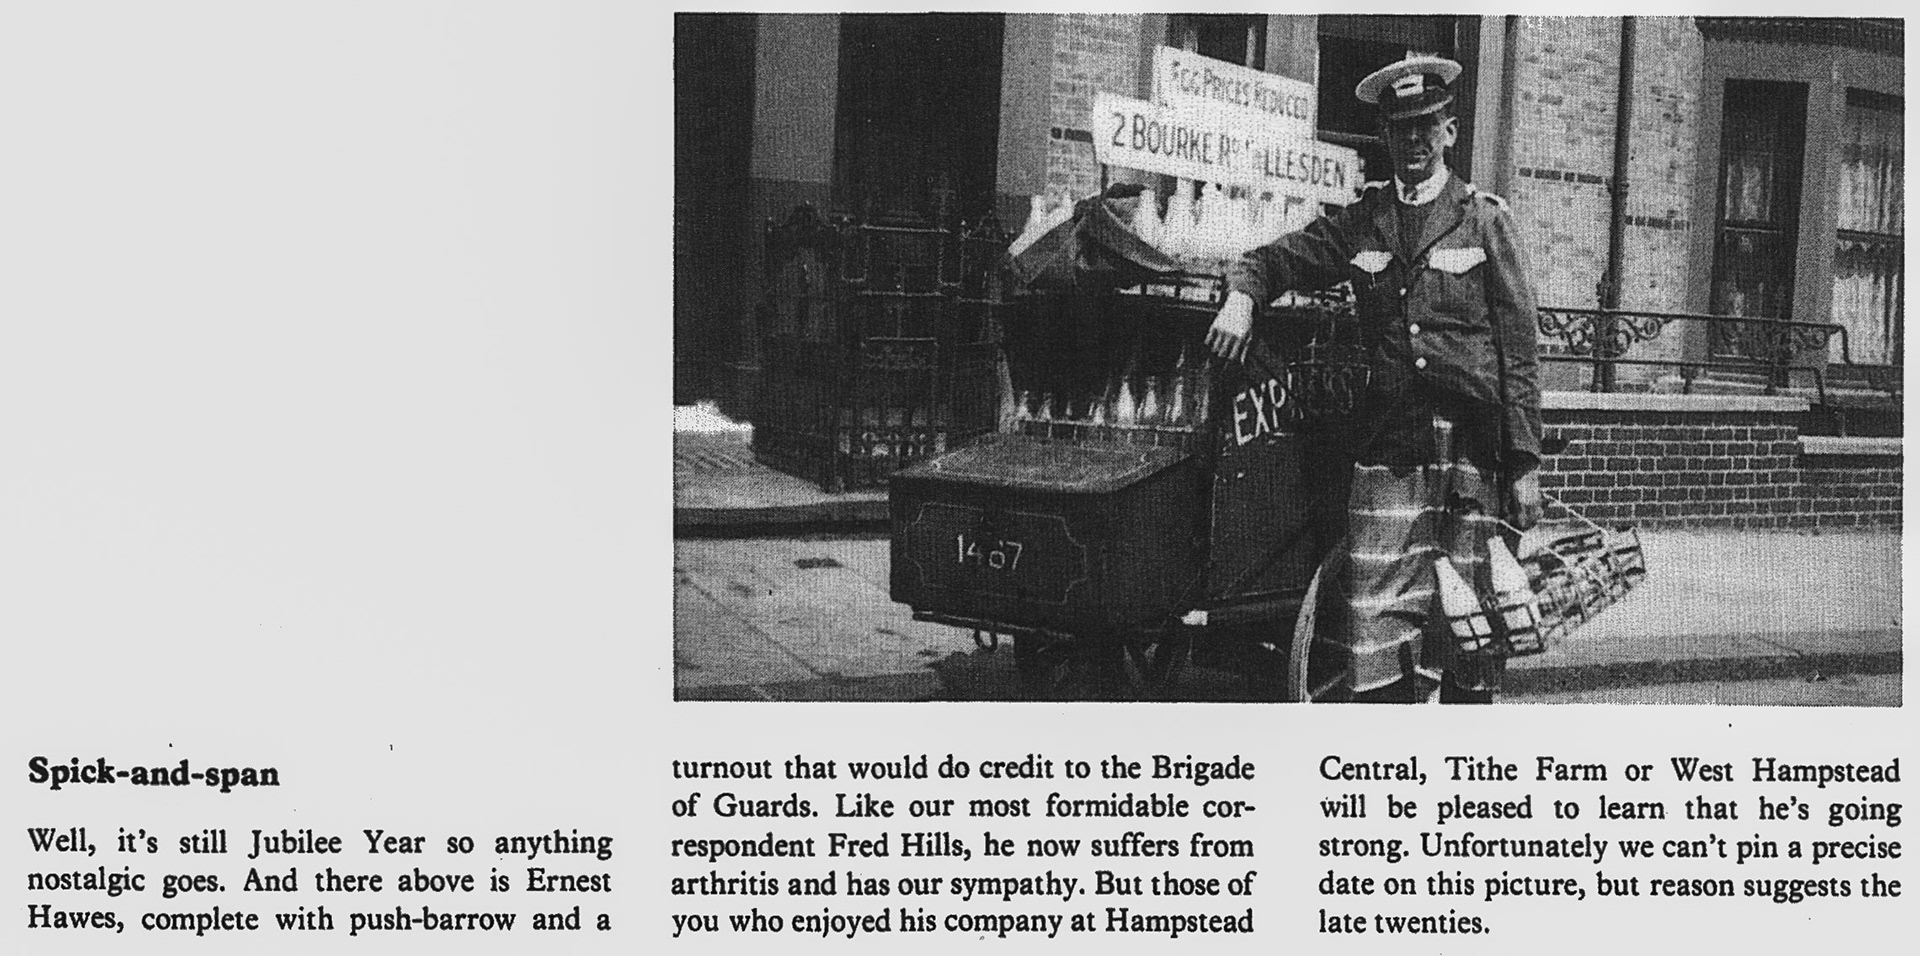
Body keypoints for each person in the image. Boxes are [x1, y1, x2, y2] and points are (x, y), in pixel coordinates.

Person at [1205, 55, 1544, 703]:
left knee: (1474, 621)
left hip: (1473, 449)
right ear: (1385, 136)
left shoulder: (1484, 218)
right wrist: (1243, 296)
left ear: (1449, 132)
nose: (1414, 140)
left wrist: (1524, 464)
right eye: (1400, 128)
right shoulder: (1364, 220)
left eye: (1426, 126)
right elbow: (1281, 259)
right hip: (1391, 442)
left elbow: (1520, 355)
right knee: (1377, 618)